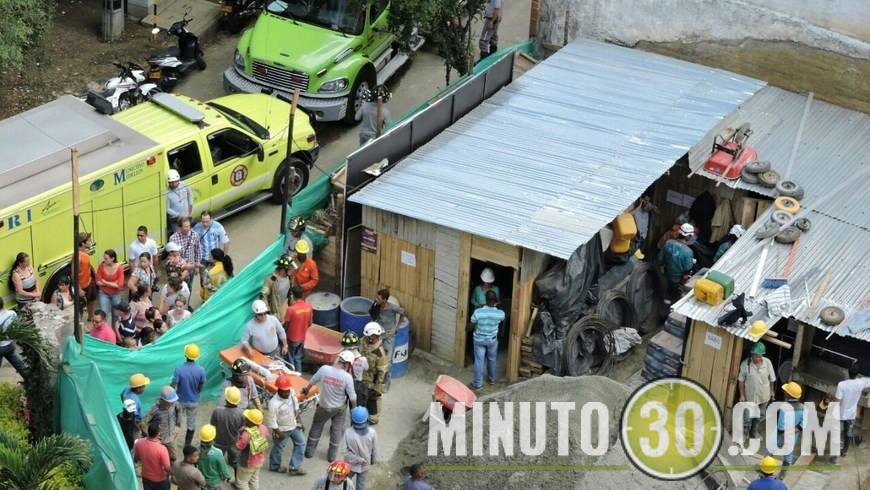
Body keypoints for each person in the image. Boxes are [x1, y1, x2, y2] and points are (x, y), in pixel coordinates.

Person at [301, 350, 357, 461]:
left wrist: (307, 390)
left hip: (323, 406)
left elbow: (312, 381)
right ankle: (331, 457)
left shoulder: (324, 369)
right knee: (336, 430)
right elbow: (352, 397)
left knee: (316, 427)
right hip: (339, 408)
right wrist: (354, 410)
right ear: (347, 364)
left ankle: (309, 452)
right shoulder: (347, 377)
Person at [267, 375, 307, 476]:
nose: (287, 393)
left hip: (294, 425)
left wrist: (299, 421)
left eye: (288, 390)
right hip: (282, 429)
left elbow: (296, 406)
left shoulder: (291, 393)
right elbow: (272, 421)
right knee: (278, 447)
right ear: (279, 390)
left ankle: (294, 467)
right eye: (284, 391)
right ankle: (274, 466)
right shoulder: (273, 404)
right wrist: (278, 433)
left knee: (301, 443)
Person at [831, 362, 870, 464]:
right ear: (857, 374)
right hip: (851, 415)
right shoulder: (861, 383)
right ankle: (844, 452)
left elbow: (836, 401)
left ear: (848, 373)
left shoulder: (842, 385)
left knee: (837, 435)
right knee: (848, 433)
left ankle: (834, 458)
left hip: (840, 414)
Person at [738, 342, 776, 439]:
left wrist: (772, 391)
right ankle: (745, 433)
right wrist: (742, 395)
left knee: (760, 416)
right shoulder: (745, 364)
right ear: (752, 355)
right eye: (755, 356)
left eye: (759, 356)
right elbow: (741, 380)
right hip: (749, 396)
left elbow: (772, 379)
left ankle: (754, 432)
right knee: (747, 417)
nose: (757, 359)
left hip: (764, 396)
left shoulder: (767, 363)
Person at [172, 344, 207, 448]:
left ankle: (172, 442)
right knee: (191, 424)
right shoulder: (201, 370)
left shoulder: (179, 369)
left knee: (175, 422)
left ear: (185, 355)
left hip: (180, 400)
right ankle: (187, 445)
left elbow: (174, 385)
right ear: (196, 356)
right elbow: (201, 385)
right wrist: (197, 392)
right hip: (193, 400)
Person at [767, 381, 804, 480]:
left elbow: (780, 426)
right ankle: (782, 475)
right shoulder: (803, 408)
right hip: (792, 437)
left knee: (770, 449)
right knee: (788, 454)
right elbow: (801, 426)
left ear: (788, 394)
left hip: (779, 436)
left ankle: (766, 470)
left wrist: (784, 436)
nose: (784, 392)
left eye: (786, 391)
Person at [468, 290, 504, 390]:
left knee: (479, 361)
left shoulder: (478, 312)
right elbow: (500, 317)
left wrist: (468, 327)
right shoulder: (500, 314)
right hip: (492, 340)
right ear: (495, 300)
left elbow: (470, 327)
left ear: (486, 299)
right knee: (492, 359)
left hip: (479, 340)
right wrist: (496, 306)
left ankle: (477, 383)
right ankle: (492, 379)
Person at [141, 386, 182, 462]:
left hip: (171, 437)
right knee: (159, 459)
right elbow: (143, 424)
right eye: (170, 401)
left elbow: (179, 409)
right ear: (162, 399)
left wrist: (178, 425)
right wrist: (152, 437)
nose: (172, 403)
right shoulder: (154, 409)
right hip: (159, 440)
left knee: (173, 457)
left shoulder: (174, 403)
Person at [211, 386, 246, 474]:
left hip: (219, 441)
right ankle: (237, 480)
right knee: (235, 462)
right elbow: (242, 429)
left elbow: (212, 426)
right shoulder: (242, 413)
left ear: (226, 398)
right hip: (234, 442)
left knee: (215, 461)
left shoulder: (217, 411)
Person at [657, 222, 696, 300]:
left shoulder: (668, 242)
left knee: (666, 292)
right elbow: (687, 268)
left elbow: (660, 259)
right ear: (688, 236)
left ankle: (664, 303)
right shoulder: (688, 252)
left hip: (666, 275)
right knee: (675, 295)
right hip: (678, 280)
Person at [370, 289, 404, 378]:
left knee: (387, 361)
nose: (376, 299)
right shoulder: (376, 306)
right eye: (376, 297)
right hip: (379, 336)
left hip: (389, 337)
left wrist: (398, 326)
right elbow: (372, 315)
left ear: (384, 300)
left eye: (378, 298)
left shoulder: (392, 308)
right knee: (375, 357)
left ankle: (386, 381)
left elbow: (403, 312)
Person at [343, 406, 378, 490]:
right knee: (361, 485)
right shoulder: (372, 432)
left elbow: (345, 452)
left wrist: (358, 459)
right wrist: (373, 461)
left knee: (344, 482)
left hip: (350, 465)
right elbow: (375, 450)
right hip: (365, 465)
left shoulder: (348, 432)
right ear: (367, 419)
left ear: (352, 419)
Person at [360, 323, 388, 425]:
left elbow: (382, 372)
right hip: (361, 377)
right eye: (368, 336)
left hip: (373, 380)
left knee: (374, 400)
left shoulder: (380, 352)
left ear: (376, 335)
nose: (369, 338)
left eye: (371, 336)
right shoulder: (362, 342)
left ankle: (373, 419)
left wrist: (377, 387)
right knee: (362, 398)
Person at [235, 408, 270, 490]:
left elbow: (238, 447)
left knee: (241, 482)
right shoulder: (263, 428)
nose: (245, 418)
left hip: (248, 463)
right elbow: (266, 436)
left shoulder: (246, 434)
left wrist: (239, 434)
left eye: (247, 418)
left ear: (249, 422)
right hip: (259, 460)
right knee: (254, 479)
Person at [134, 421, 172, 490]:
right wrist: (170, 474)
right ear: (158, 433)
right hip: (160, 480)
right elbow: (167, 468)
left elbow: (138, 457)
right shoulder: (162, 449)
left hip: (146, 477)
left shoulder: (139, 442)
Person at [284, 285, 313, 372]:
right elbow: (310, 323)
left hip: (292, 338)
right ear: (303, 294)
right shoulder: (309, 306)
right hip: (303, 337)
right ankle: (299, 374)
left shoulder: (290, 309)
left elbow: (286, 325)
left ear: (292, 295)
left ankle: (293, 376)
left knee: (290, 358)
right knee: (298, 358)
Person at [169, 217, 202, 292]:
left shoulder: (195, 235)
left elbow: (198, 250)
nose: (188, 228)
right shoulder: (173, 238)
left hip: (191, 266)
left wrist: (197, 265)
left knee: (189, 286)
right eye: (185, 227)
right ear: (180, 227)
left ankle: (187, 302)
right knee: (178, 287)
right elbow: (171, 255)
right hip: (178, 269)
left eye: (189, 226)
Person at [197, 424, 232, 490]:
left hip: (202, 481)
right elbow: (223, 468)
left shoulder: (197, 451)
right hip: (215, 482)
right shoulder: (217, 453)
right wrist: (228, 476)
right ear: (214, 438)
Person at [0, 299, 28, 377]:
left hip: (0, 346)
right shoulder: (12, 313)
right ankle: (28, 377)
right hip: (10, 344)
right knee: (16, 362)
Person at [96, 249, 125, 325]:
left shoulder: (119, 268)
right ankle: (104, 332)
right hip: (103, 293)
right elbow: (98, 282)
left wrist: (105, 282)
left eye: (106, 258)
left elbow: (120, 285)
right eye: (104, 258)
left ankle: (115, 332)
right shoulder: (101, 266)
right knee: (104, 314)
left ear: (112, 259)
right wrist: (113, 283)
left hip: (116, 294)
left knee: (116, 314)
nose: (104, 260)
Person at [341, 333, 369, 410]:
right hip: (357, 385)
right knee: (357, 410)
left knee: (339, 408)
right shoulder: (363, 360)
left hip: (343, 384)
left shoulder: (341, 357)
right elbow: (366, 368)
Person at [261, 256, 293, 322]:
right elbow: (263, 296)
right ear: (284, 269)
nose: (293, 269)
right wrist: (267, 311)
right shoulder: (271, 279)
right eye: (290, 268)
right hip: (274, 312)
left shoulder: (290, 277)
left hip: (284, 307)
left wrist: (292, 304)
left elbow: (290, 293)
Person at [76, 232, 97, 322]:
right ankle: (79, 325)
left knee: (92, 299)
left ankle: (90, 316)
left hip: (89, 282)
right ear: (83, 243)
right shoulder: (77, 257)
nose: (90, 241)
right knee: (80, 307)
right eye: (88, 240)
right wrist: (79, 289)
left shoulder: (85, 252)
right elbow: (74, 275)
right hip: (82, 286)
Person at [167, 169, 193, 234]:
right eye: (171, 182)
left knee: (188, 233)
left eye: (175, 182)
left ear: (178, 180)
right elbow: (167, 209)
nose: (174, 184)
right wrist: (178, 215)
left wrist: (190, 204)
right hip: (175, 219)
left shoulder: (183, 184)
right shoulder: (166, 193)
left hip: (185, 216)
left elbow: (190, 193)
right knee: (178, 235)